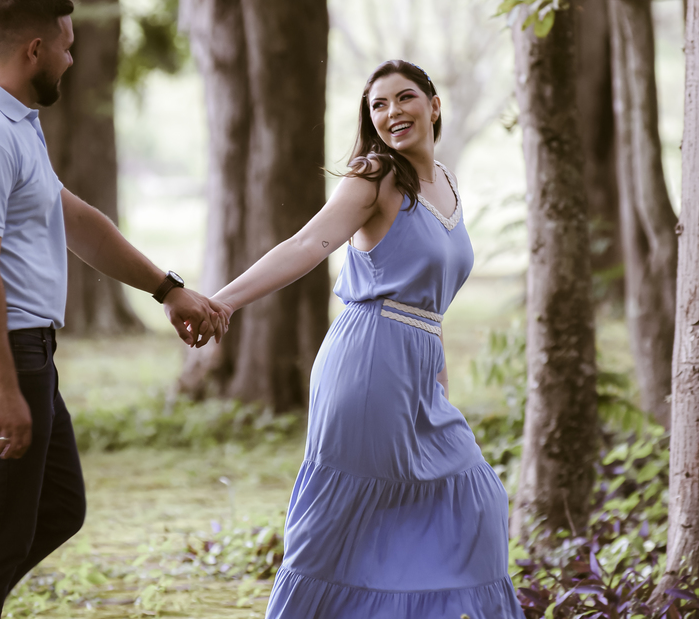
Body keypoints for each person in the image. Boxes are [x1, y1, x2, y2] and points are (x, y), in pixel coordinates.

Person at [0, 0, 226, 619]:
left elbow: (76, 222)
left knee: (57, 507)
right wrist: (1, 384)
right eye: (66, 45)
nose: (71, 59)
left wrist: (167, 289)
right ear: (34, 49)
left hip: (20, 351)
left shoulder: (13, 125)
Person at [210, 60, 525, 618]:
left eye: (404, 98)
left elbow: (431, 308)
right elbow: (308, 244)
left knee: (476, 498)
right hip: (368, 362)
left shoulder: (446, 183)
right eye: (378, 105)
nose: (391, 113)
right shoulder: (377, 176)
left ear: (434, 105)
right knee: (342, 518)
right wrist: (224, 301)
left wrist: (439, 386)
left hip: (419, 368)